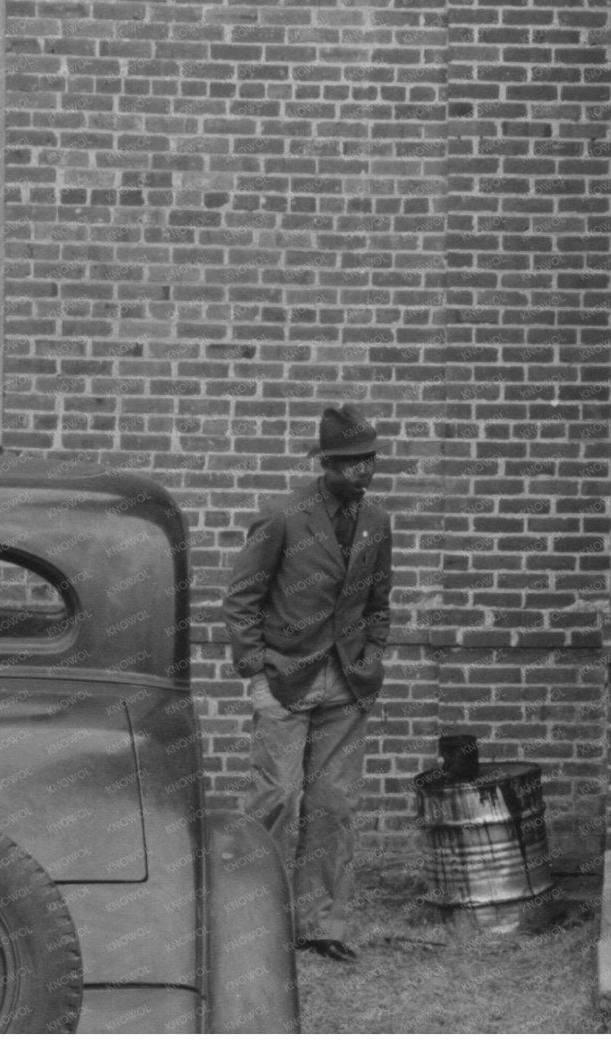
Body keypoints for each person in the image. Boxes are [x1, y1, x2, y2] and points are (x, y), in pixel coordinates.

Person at [222, 404, 394, 965]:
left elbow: (378, 603)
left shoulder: (376, 522)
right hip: (285, 679)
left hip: (346, 683)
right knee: (275, 796)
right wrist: (255, 673)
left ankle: (322, 924)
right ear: (326, 464)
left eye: (367, 461)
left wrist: (372, 655)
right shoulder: (283, 517)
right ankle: (250, 921)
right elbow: (242, 598)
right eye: (349, 463)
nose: (361, 472)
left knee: (333, 804)